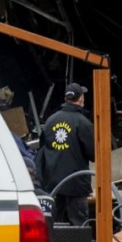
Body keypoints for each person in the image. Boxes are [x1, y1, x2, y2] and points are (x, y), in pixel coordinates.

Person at [36, 83, 95, 226]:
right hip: (76, 186)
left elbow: (42, 149)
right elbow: (94, 154)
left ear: (66, 98)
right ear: (80, 99)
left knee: (55, 225)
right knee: (79, 225)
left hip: (54, 185)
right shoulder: (83, 123)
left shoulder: (50, 121)